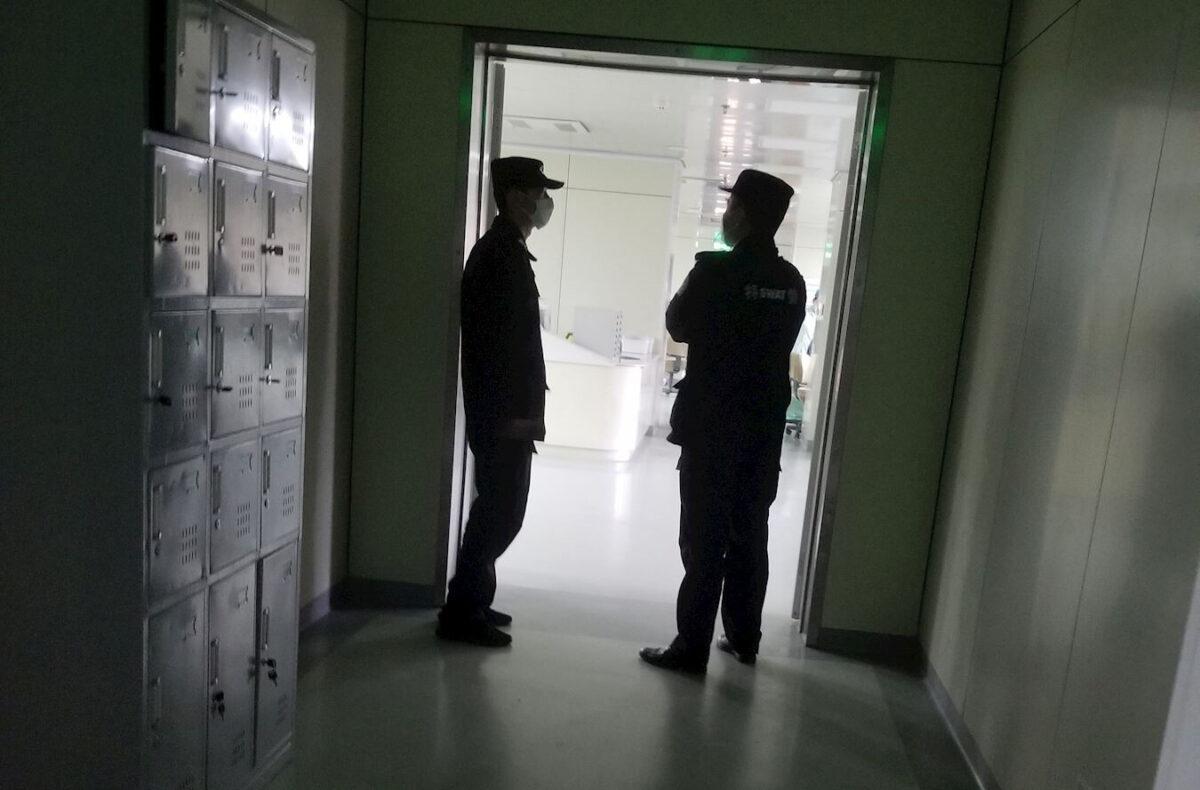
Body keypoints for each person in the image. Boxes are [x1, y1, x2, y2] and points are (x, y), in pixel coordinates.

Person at [640, 169, 806, 674]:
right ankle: (743, 638)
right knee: (750, 533)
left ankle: (691, 646)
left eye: (730, 208)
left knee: (703, 539)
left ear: (744, 216)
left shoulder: (712, 272)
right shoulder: (791, 283)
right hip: (762, 433)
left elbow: (677, 323)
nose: (724, 215)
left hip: (712, 428)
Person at [438, 156, 564, 647]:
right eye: (537, 192)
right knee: (501, 511)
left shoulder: (507, 251)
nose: (543, 201)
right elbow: (496, 347)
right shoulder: (498, 255)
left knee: (498, 506)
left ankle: (475, 598)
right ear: (515, 196)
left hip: (510, 410)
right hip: (503, 412)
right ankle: (460, 610)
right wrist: (512, 414)